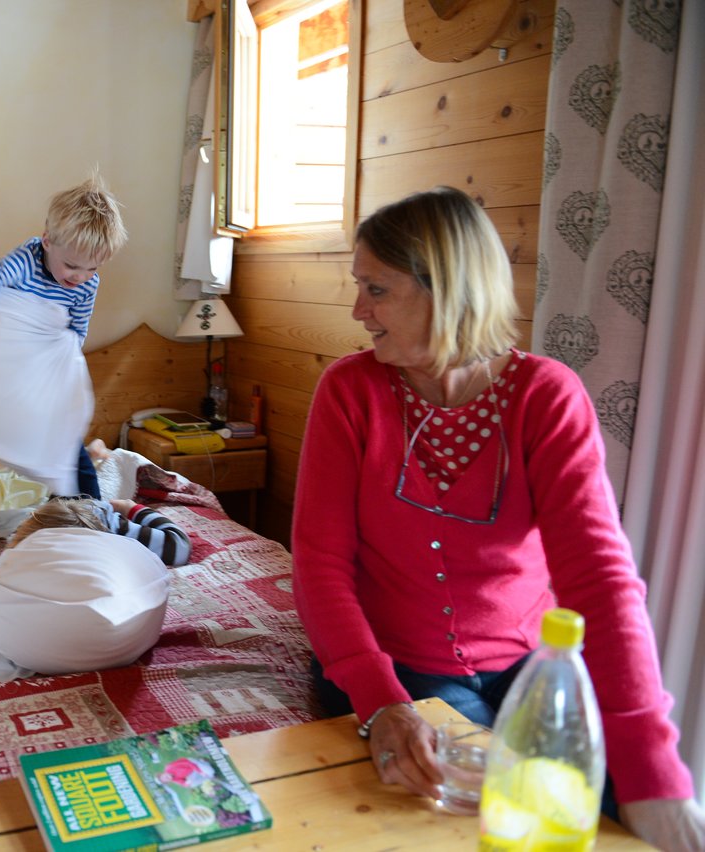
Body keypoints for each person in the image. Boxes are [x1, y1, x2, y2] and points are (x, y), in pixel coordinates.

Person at [291, 187, 704, 851]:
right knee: (476, 814)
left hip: (528, 668)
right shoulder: (350, 391)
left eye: (377, 289)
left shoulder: (544, 397)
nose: (358, 309)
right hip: (400, 673)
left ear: (446, 288)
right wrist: (381, 700)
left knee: (618, 807)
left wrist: (658, 776)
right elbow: (319, 563)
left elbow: (600, 578)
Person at [0, 172, 128, 498]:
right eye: (71, 265)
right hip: (3, 368)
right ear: (47, 241)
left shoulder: (87, 284)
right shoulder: (25, 261)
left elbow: (77, 329)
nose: (80, 277)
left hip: (41, 375)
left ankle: (93, 509)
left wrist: (57, 364)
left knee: (67, 444)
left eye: (92, 268)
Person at [8, 495, 192, 567]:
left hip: (83, 510)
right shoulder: (110, 526)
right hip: (88, 512)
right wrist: (131, 508)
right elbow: (179, 544)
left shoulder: (111, 524)